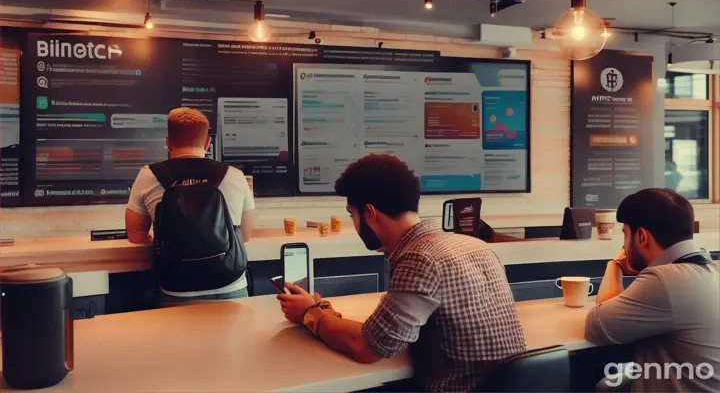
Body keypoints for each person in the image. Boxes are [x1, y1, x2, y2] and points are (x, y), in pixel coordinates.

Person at [276, 154, 526, 392]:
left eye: (352, 215)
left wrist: (309, 314)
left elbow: (367, 347)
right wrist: (323, 312)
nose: (353, 223)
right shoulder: (476, 246)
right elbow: (393, 332)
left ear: (370, 213)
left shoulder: (420, 258)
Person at [585, 188, 719, 392]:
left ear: (641, 237)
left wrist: (615, 264)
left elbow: (597, 326)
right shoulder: (710, 271)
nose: (624, 244)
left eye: (625, 234)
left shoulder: (665, 280)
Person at [125, 107, 255, 303]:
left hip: (177, 289)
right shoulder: (235, 175)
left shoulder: (148, 175)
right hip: (231, 285)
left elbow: (135, 236)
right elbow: (244, 235)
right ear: (207, 143)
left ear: (168, 143)